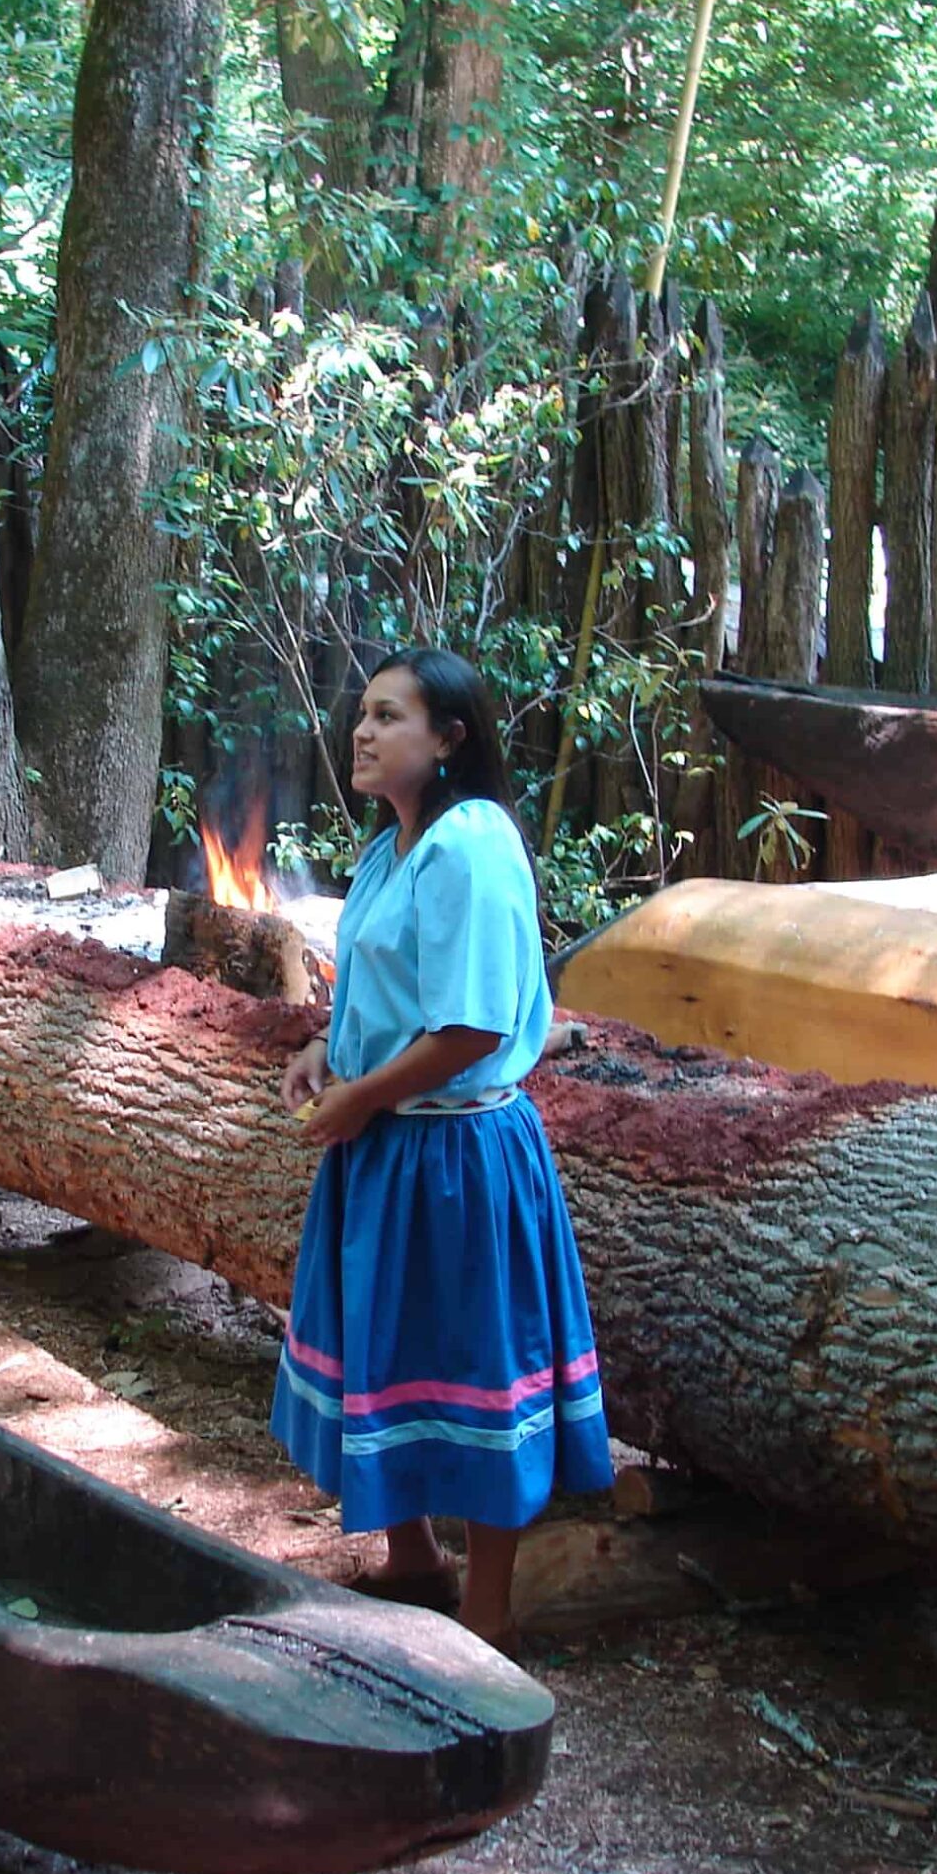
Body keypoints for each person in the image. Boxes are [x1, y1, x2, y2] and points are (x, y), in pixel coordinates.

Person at [271, 646, 613, 1654]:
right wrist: (319, 1050)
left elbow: (465, 1031)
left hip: (459, 1156)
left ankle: (488, 1614)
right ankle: (412, 1559)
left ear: (450, 737)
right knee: (386, 1347)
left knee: (476, 1363)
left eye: (388, 717)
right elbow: (384, 989)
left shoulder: (469, 844)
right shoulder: (393, 846)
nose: (362, 733)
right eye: (361, 716)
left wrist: (360, 1101)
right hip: (388, 1141)